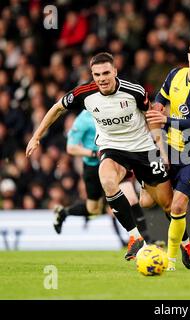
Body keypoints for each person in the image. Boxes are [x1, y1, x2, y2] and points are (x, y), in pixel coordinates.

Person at [26, 52, 172, 261]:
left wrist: (160, 145)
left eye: (105, 73)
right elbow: (59, 112)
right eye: (96, 74)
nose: (101, 78)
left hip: (133, 151)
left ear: (115, 72)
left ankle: (143, 239)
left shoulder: (133, 92)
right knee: (94, 207)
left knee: (138, 198)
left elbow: (150, 114)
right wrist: (36, 136)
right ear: (91, 75)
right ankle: (134, 236)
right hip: (97, 160)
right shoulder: (84, 107)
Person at [145, 36, 190, 271]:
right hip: (169, 148)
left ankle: (171, 259)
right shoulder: (175, 74)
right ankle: (186, 242)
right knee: (146, 201)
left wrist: (164, 119)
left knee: (178, 206)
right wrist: (158, 106)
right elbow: (161, 96)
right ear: (188, 55)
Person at [53, 109, 153, 253]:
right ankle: (64, 213)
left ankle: (146, 240)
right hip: (93, 166)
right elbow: (71, 148)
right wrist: (93, 153)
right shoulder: (83, 119)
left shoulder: (111, 109)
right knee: (93, 209)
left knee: (131, 198)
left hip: (113, 161)